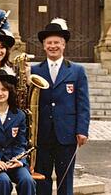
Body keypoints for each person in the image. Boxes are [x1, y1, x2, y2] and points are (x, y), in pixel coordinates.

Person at [32, 19, 90, 195]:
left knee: (65, 178)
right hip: (42, 134)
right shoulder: (34, 71)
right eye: (49, 43)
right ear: (44, 46)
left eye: (57, 42)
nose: (53, 46)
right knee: (42, 178)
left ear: (64, 45)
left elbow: (83, 103)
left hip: (67, 134)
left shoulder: (77, 71)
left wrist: (82, 130)